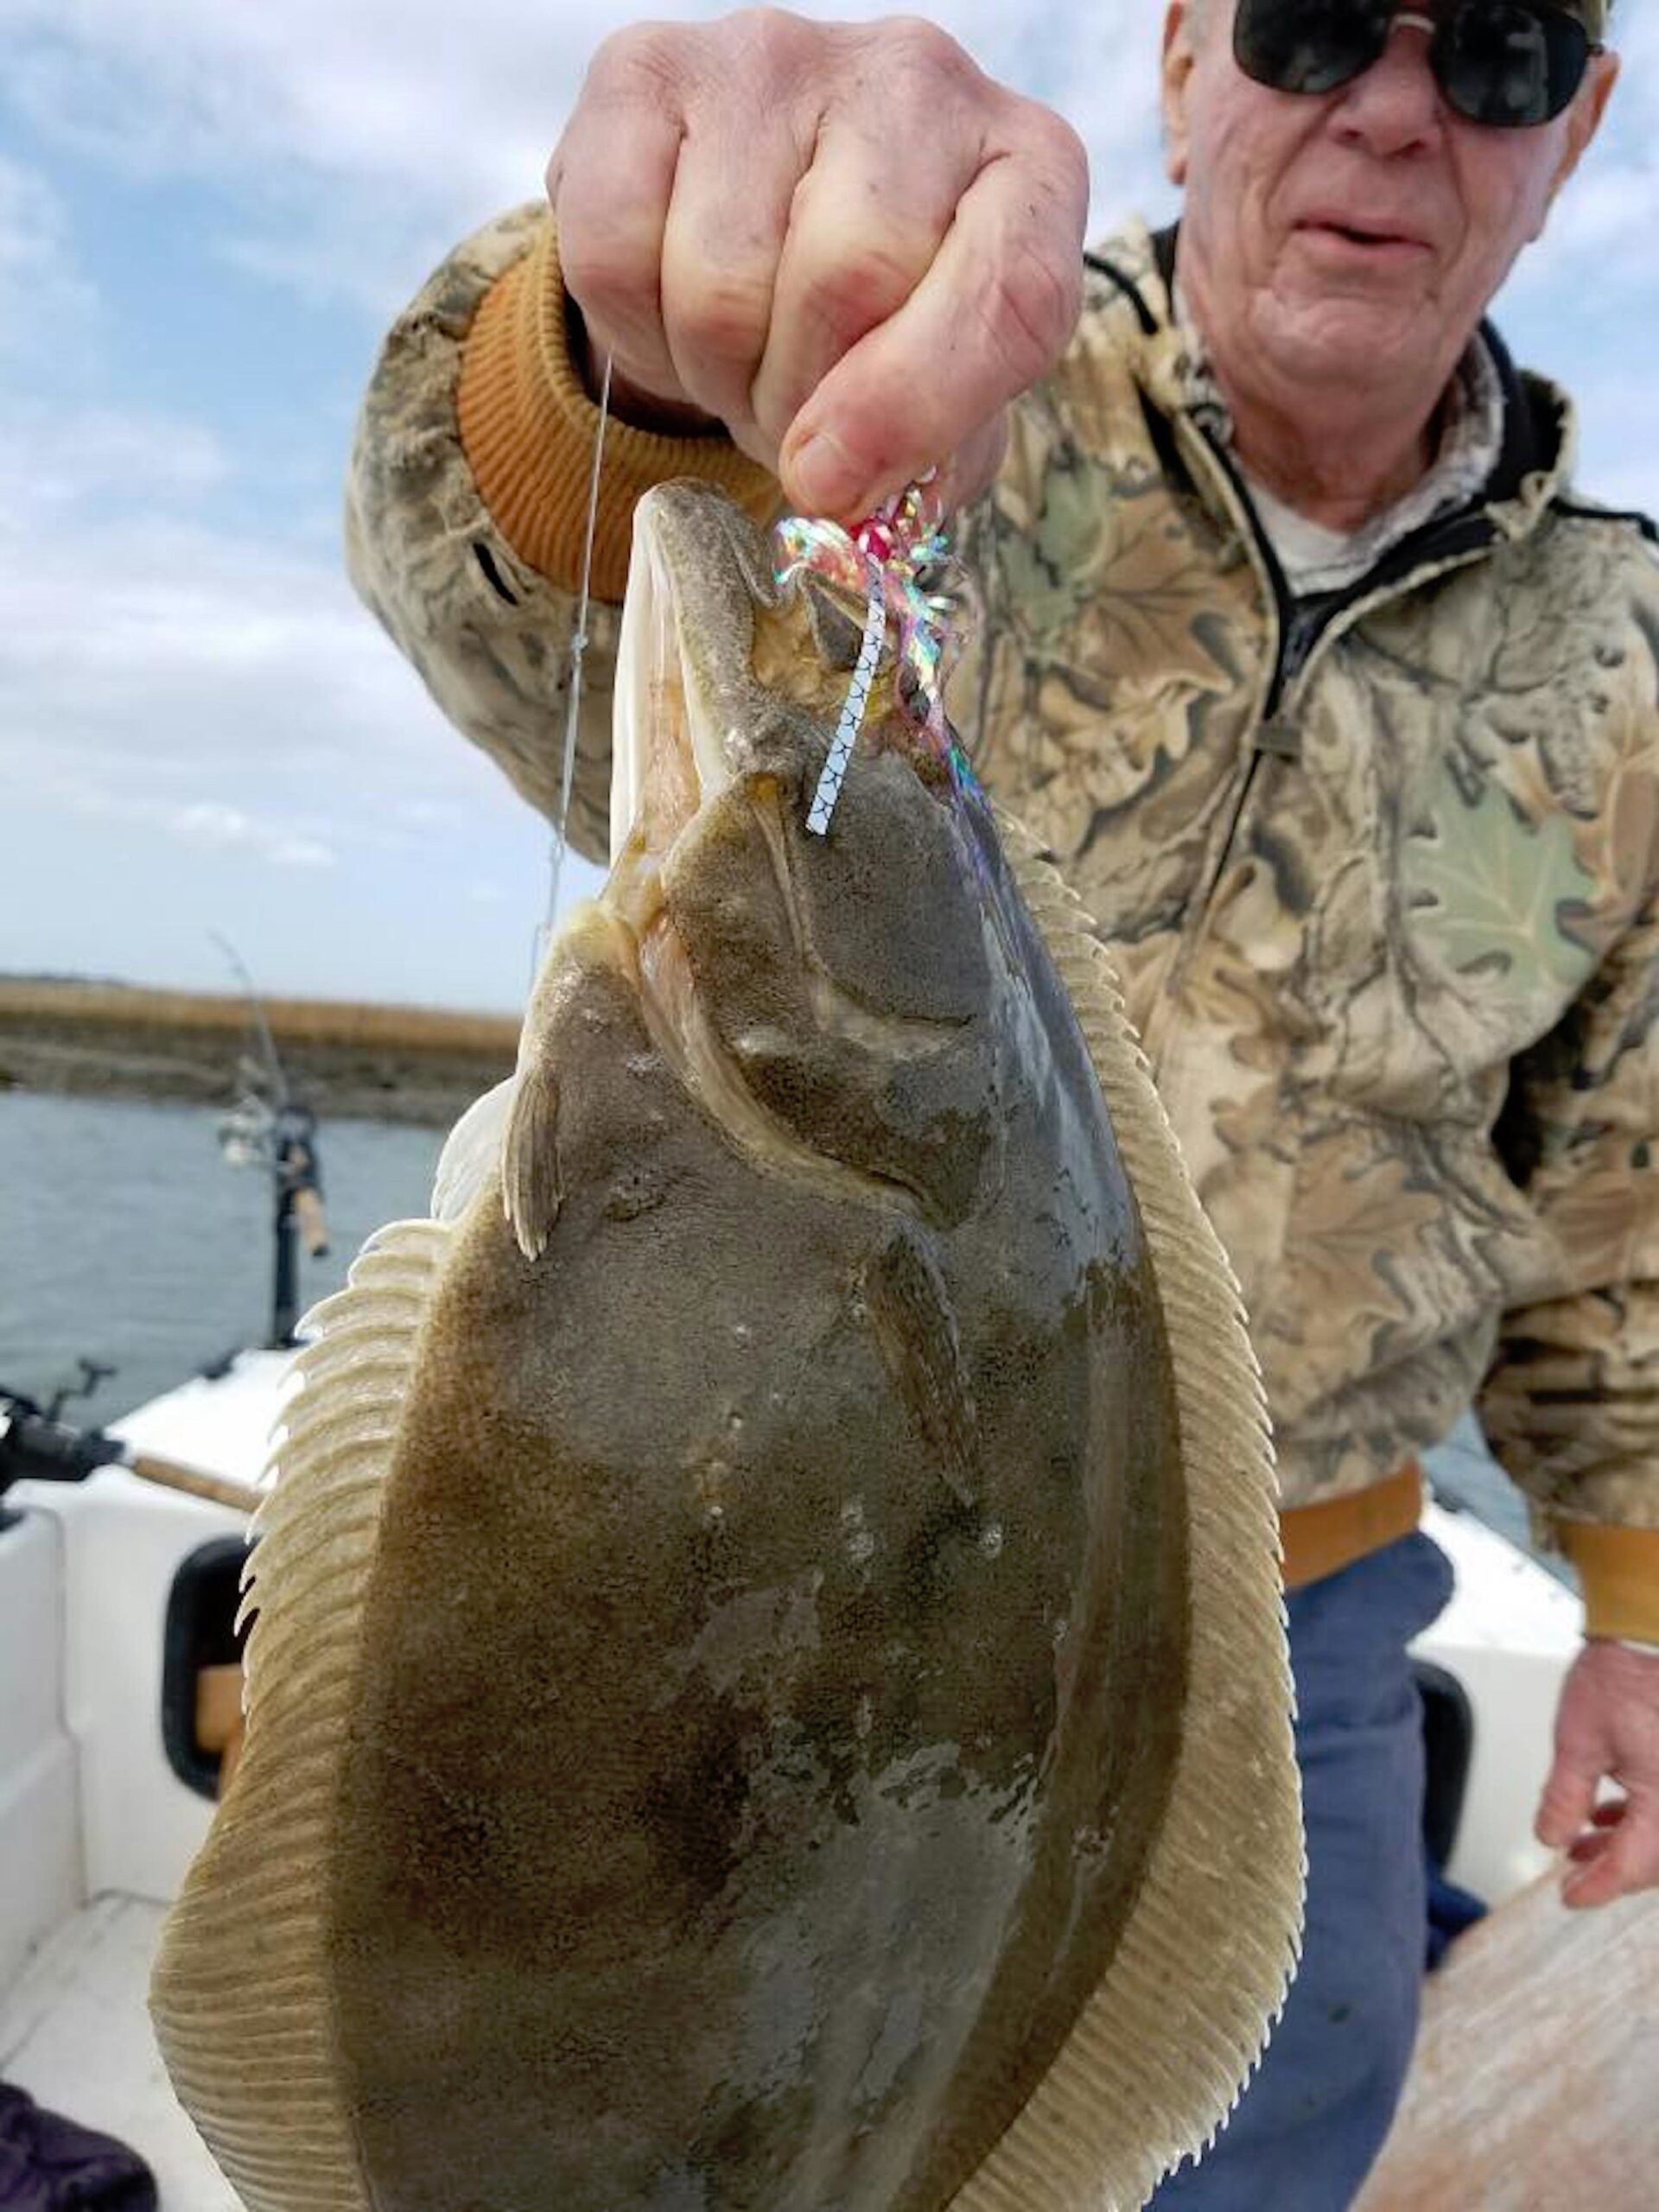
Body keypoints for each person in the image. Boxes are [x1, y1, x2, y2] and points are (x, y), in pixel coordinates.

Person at [343, 1, 1659, 2200]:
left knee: (1255, 2138)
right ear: (1184, 60)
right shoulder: (950, 384)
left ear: (1582, 124)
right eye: (1318, 20)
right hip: (742, 1613)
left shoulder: (1626, 660)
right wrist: (642, 358)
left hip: (1298, 1638)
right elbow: (504, 590)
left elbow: (1619, 1182)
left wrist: (1635, 1590)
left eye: (1504, 48)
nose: (1394, 111)